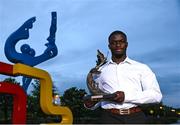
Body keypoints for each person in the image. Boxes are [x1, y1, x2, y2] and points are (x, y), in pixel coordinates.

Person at [84, 30, 162, 124]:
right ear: (109, 46)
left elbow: (156, 96)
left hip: (136, 118)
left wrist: (126, 97)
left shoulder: (142, 68)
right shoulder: (100, 71)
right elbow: (100, 97)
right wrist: (90, 105)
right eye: (114, 43)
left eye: (121, 42)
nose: (118, 45)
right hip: (108, 118)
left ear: (126, 44)